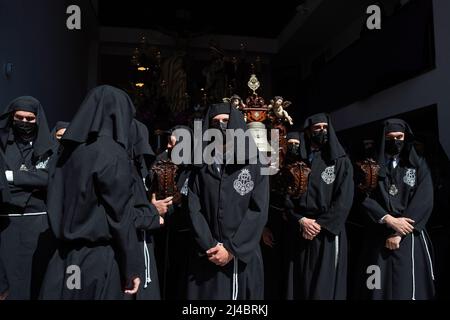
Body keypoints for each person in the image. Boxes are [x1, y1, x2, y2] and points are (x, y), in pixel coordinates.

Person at [40, 85, 141, 299]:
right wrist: (131, 266)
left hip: (64, 258)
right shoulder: (112, 154)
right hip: (98, 259)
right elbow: (120, 216)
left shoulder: (66, 151)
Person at [187, 102, 269, 300]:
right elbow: (194, 208)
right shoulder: (200, 166)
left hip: (242, 255)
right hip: (208, 253)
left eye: (226, 121)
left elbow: (258, 210)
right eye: (215, 122)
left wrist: (231, 249)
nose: (221, 125)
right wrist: (210, 245)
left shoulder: (256, 163)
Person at [358, 119, 435, 300]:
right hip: (378, 233)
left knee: (407, 285)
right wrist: (388, 219)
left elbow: (424, 198)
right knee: (374, 283)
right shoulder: (370, 166)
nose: (395, 141)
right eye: (390, 138)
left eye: (400, 137)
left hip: (409, 233)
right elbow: (363, 197)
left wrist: (400, 232)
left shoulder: (417, 164)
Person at [285, 113, 354, 300]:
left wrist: (319, 225)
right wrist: (301, 219)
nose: (322, 131)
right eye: (317, 128)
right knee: (301, 282)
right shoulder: (297, 161)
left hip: (327, 233)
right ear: (308, 132)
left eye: (325, 127)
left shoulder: (340, 161)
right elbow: (287, 197)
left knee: (324, 286)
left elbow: (344, 200)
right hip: (302, 229)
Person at [0, 96, 55, 300]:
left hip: (37, 221)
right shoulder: (3, 143)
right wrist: (31, 180)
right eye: (19, 117)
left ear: (37, 119)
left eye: (30, 119)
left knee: (35, 277)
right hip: (7, 221)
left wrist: (11, 176)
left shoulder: (48, 146)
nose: (24, 123)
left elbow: (49, 178)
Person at [129, 119, 167, 300]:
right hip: (129, 243)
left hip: (146, 242)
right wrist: (153, 212)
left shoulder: (146, 168)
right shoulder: (120, 169)